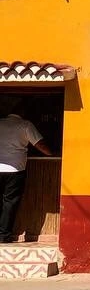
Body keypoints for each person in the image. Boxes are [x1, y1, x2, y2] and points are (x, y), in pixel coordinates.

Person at [0, 103, 52, 243]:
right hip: (15, 170)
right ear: (23, 113)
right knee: (9, 202)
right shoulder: (25, 125)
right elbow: (40, 145)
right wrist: (51, 153)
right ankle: (3, 236)